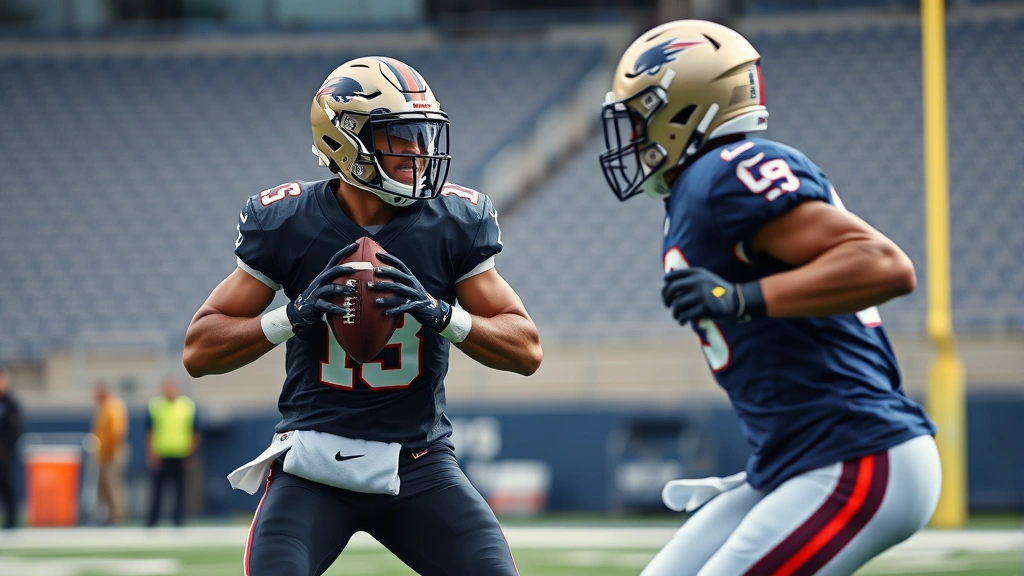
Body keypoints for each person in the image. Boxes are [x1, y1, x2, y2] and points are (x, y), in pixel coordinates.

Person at [598, 20, 940, 576]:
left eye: (642, 116)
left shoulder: (726, 173)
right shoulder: (700, 186)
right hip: (798, 458)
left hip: (856, 452)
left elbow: (884, 265)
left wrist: (740, 297)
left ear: (686, 109)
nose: (635, 136)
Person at [183, 56, 542, 576]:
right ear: (345, 142)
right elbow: (198, 350)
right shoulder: (289, 223)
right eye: (401, 137)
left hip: (419, 463)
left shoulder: (449, 222)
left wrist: (443, 315)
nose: (419, 153)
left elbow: (527, 348)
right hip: (312, 468)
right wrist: (292, 315)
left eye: (423, 136)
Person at [145, 378, 199, 527]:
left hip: (181, 453)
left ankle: (178, 520)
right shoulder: (156, 406)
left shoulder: (187, 406)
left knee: (180, 490)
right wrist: (151, 453)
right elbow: (149, 432)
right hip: (162, 453)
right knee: (157, 490)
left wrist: (191, 453)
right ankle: (153, 520)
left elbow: (195, 432)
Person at [91, 381, 129, 525]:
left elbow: (115, 432)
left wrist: (108, 452)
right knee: (105, 486)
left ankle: (118, 516)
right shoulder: (104, 407)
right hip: (105, 453)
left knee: (113, 485)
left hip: (112, 453)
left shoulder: (112, 407)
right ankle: (111, 514)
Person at [0, 365, 22, 529]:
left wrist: (5, 447)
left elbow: (16, 429)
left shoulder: (11, 403)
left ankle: (12, 520)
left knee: (7, 484)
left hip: (5, 452)